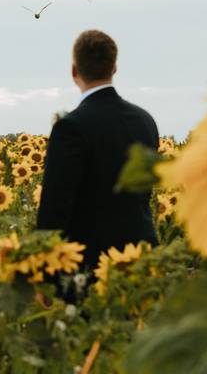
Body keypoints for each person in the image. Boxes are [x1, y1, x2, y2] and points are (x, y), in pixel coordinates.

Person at [36, 30, 159, 270]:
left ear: (74, 72)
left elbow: (54, 208)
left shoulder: (70, 127)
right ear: (114, 69)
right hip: (142, 260)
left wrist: (45, 271)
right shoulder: (145, 121)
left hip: (89, 263)